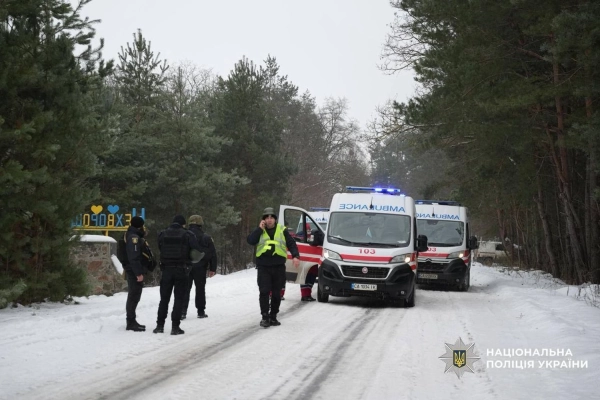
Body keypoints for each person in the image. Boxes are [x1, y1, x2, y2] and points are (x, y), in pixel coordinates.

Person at [247, 207, 300, 328]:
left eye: (271, 217)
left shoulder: (282, 230)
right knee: (264, 291)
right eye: (267, 217)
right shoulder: (259, 230)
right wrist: (259, 229)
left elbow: (291, 243)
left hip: (278, 267)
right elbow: (250, 241)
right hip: (264, 267)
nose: (269, 220)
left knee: (277, 293)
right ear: (263, 220)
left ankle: (273, 316)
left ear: (275, 219)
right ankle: (265, 317)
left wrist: (295, 256)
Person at [153, 215, 204, 335]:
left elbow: (160, 248)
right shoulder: (188, 234)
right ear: (183, 224)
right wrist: (190, 261)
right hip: (181, 269)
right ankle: (175, 327)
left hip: (166, 270)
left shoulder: (163, 234)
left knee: (164, 299)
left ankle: (160, 326)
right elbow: (197, 250)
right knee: (179, 299)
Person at [182, 214, 217, 319]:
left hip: (186, 267)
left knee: (185, 289)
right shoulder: (206, 237)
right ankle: (201, 311)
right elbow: (213, 253)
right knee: (200, 289)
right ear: (201, 223)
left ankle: (182, 312)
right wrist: (212, 268)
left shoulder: (183, 235)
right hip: (201, 267)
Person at [122, 216, 153, 332]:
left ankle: (131, 321)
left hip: (132, 270)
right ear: (140, 226)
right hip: (133, 271)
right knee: (133, 296)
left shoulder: (130, 234)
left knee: (134, 296)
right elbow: (134, 257)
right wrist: (138, 273)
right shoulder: (133, 237)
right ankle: (130, 322)